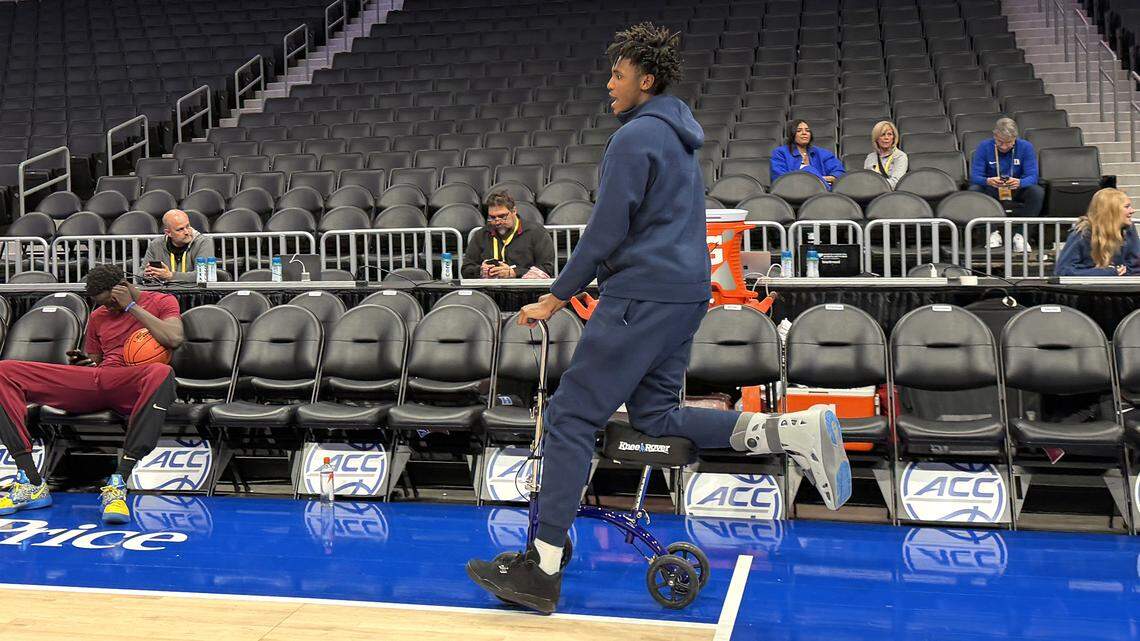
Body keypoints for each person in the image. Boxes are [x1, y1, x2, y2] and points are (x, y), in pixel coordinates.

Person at [465, 23, 851, 615]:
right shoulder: (679, 136)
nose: (609, 85)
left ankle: (541, 566)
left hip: (641, 296)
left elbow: (606, 230)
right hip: (685, 295)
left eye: (618, 75)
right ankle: (788, 432)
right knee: (656, 414)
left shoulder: (635, 138)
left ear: (646, 79)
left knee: (569, 415)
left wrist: (556, 296)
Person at [0, 264, 183, 524]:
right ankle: (30, 480)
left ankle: (119, 481)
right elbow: (98, 361)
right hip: (99, 381)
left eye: (109, 302)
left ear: (123, 286)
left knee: (161, 373)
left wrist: (132, 307)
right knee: (4, 371)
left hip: (134, 383)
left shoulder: (162, 301)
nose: (106, 308)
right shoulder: (98, 316)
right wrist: (86, 363)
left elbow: (174, 338)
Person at [969, 118, 1044, 252]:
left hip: (1017, 188)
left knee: (1037, 191)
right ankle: (991, 234)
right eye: (1000, 142)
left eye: (1009, 143)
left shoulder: (1026, 147)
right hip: (992, 188)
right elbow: (975, 176)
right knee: (975, 190)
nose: (1004, 146)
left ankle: (1021, 236)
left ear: (1015, 138)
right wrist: (988, 181)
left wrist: (1020, 182)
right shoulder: (984, 147)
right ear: (994, 136)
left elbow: (1033, 176)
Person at [460, 191, 556, 279]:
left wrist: (514, 272)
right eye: (492, 217)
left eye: (502, 217)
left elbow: (547, 268)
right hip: (489, 291)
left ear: (514, 211)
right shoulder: (481, 235)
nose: (497, 222)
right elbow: (465, 269)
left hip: (526, 291)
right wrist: (481, 270)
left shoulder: (537, 232)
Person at [1055, 188, 1140, 276]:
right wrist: (1107, 272)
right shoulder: (1082, 234)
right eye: (1127, 207)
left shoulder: (1129, 230)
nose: (1132, 211)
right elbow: (1063, 270)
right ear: (1110, 211)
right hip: (1087, 288)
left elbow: (1135, 267)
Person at [769, 119, 846, 188]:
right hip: (792, 190)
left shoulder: (821, 153)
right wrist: (811, 176)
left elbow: (839, 172)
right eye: (799, 131)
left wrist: (817, 179)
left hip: (818, 189)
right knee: (808, 169)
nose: (804, 133)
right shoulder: (780, 152)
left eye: (807, 130)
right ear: (792, 134)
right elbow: (779, 178)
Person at [142, 209, 215, 282]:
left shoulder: (203, 242)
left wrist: (170, 276)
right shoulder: (156, 245)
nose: (186, 232)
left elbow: (204, 275)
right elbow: (139, 275)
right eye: (180, 229)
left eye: (187, 226)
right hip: (164, 292)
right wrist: (146, 275)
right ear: (168, 233)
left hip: (194, 291)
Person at [863, 120, 908, 189]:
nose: (886, 138)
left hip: (890, 194)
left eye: (889, 134)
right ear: (876, 138)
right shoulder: (870, 157)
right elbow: (866, 179)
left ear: (894, 138)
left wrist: (873, 186)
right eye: (882, 134)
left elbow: (896, 182)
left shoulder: (900, 156)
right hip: (871, 193)